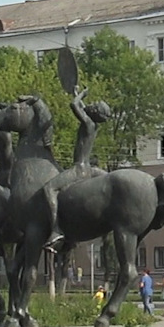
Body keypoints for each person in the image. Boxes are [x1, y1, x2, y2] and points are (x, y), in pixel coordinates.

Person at [42, 88, 113, 249]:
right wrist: (77, 92)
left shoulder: (88, 123)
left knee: (49, 189)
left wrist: (82, 95)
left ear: (95, 112)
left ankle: (55, 229)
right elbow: (83, 107)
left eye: (94, 105)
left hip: (80, 168)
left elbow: (75, 106)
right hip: (91, 169)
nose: (91, 105)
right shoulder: (94, 125)